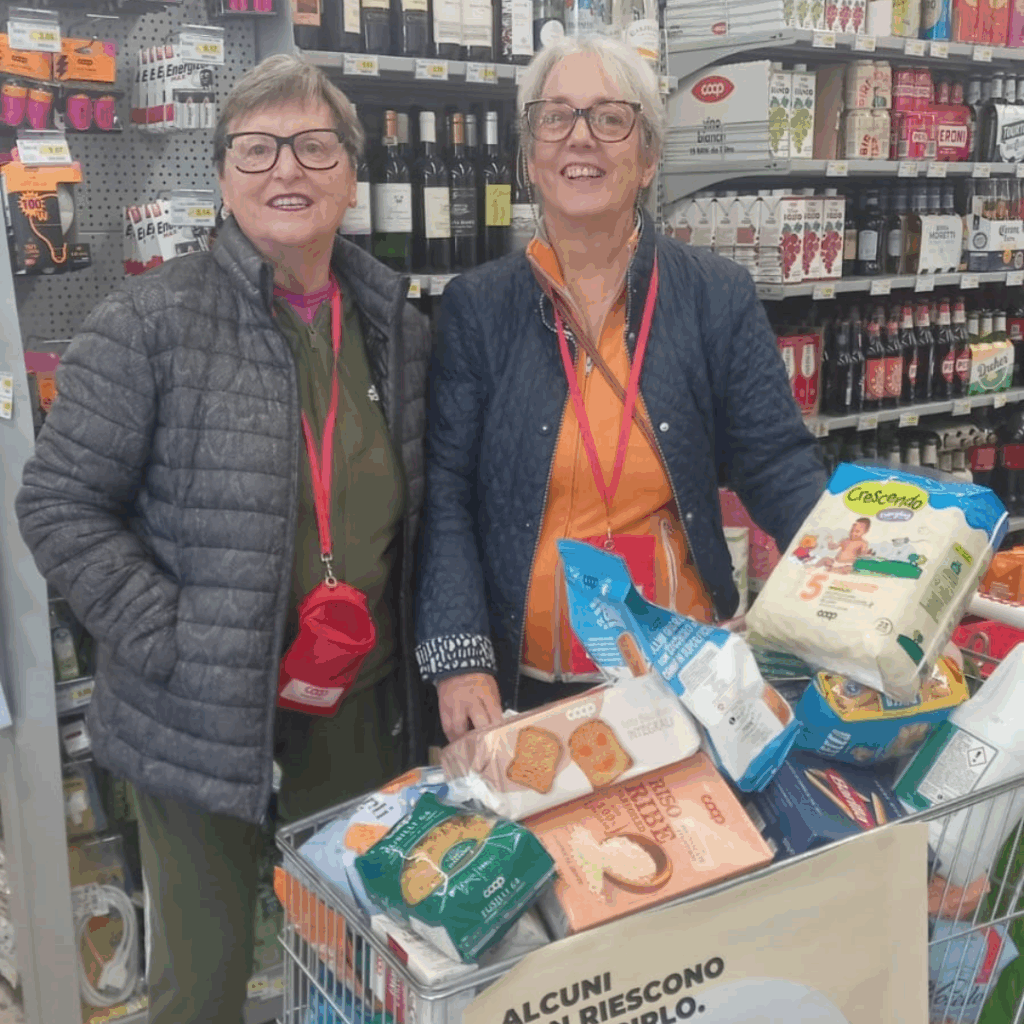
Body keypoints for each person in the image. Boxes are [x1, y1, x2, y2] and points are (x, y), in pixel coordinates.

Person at [16, 55, 431, 1023]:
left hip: (356, 707)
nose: (286, 168)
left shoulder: (397, 327)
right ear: (222, 175)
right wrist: (175, 639)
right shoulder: (147, 322)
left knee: (353, 972)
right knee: (199, 990)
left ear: (352, 173)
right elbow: (60, 505)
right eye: (257, 149)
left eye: (315, 146)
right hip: (196, 718)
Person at [414, 35, 828, 742]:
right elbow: (447, 493)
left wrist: (846, 583)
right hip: (527, 690)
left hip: (685, 680)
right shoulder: (477, 308)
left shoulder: (714, 295)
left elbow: (777, 463)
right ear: (530, 157)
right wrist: (460, 658)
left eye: (610, 118)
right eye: (556, 117)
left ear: (648, 158)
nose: (581, 137)